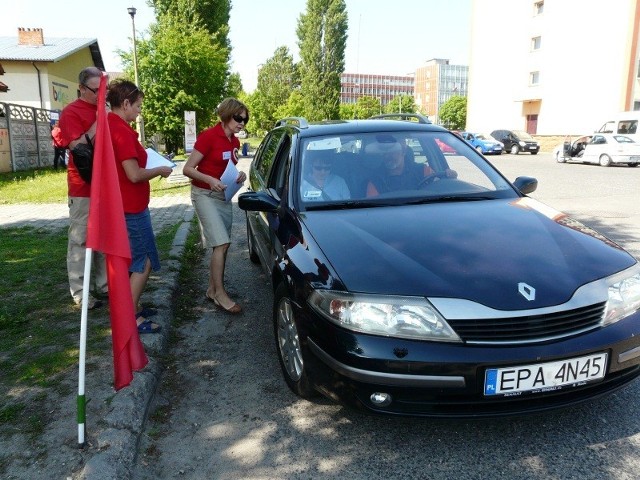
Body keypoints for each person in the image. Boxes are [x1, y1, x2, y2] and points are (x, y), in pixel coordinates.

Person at [106, 79, 173, 333]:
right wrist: (159, 170)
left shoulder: (111, 125)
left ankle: (131, 309)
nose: (139, 111)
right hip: (131, 207)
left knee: (132, 262)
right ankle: (129, 320)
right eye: (137, 106)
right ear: (125, 104)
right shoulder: (121, 130)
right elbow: (133, 174)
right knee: (142, 261)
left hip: (123, 205)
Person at [183, 98, 248, 314]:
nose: (242, 123)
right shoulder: (209, 136)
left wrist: (239, 176)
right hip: (204, 194)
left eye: (245, 120)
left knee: (223, 244)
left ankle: (212, 289)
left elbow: (228, 168)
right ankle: (220, 294)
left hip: (223, 197)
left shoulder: (234, 142)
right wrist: (210, 179)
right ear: (227, 115)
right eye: (239, 118)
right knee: (220, 243)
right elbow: (188, 168)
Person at [58, 66, 108, 309]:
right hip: (83, 187)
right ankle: (80, 292)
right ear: (81, 88)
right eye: (95, 91)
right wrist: (99, 121)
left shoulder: (104, 109)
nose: (100, 96)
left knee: (103, 238)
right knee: (80, 239)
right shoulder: (70, 113)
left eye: (103, 91)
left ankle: (105, 286)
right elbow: (79, 148)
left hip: (106, 185)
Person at [365, 141, 456, 197]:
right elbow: (374, 212)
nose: (387, 156)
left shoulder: (423, 171)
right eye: (385, 153)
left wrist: (449, 178)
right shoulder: (375, 180)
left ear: (404, 152)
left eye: (392, 152)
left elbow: (439, 190)